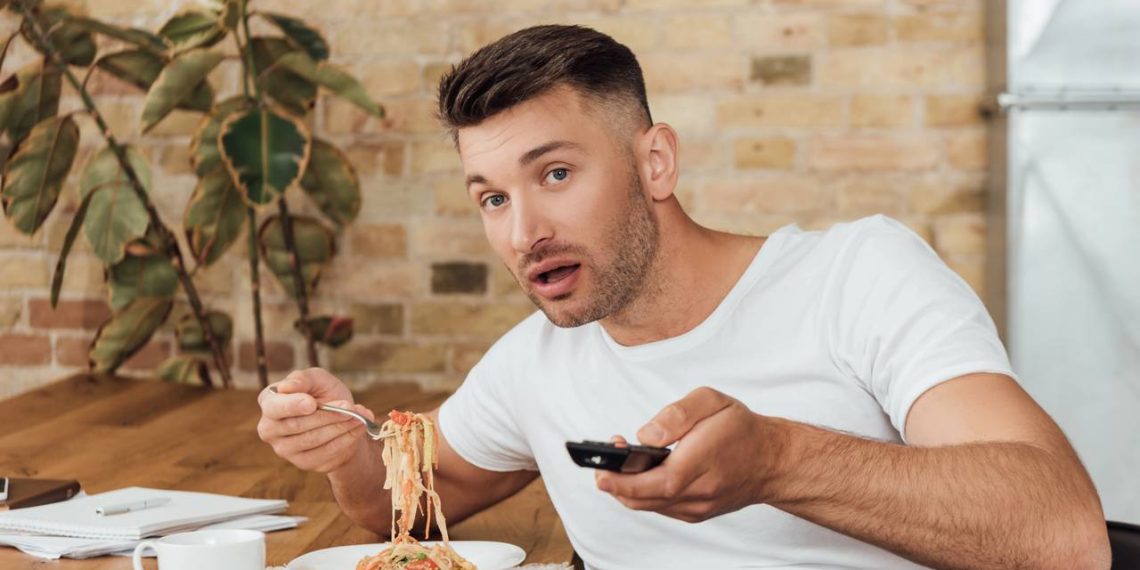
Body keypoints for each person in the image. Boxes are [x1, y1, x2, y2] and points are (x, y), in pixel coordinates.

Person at [257, 24, 1110, 569]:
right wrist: (345, 451)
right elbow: (403, 504)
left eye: (555, 173)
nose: (523, 234)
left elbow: (1064, 539)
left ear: (655, 162)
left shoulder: (859, 277)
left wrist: (781, 460)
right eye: (492, 198)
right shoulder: (536, 363)